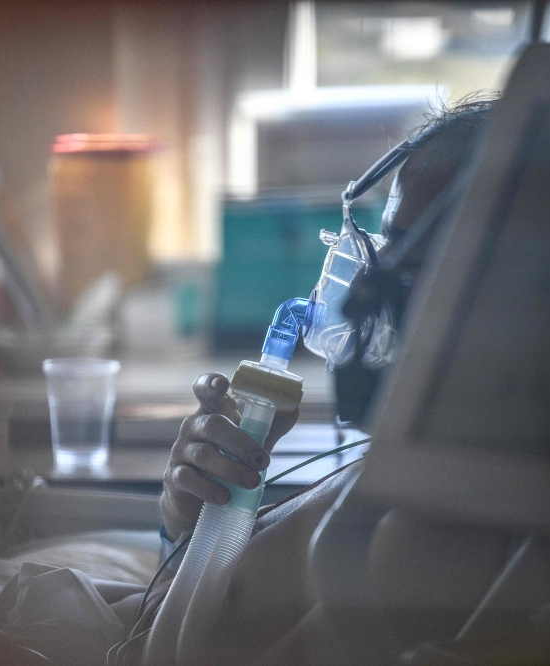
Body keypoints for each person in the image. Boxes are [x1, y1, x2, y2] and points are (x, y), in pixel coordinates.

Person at [150, 95, 506, 664]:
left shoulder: (440, 526)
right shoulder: (409, 465)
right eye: (382, 244)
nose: (366, 283)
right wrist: (188, 517)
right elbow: (187, 613)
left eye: (408, 257)